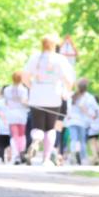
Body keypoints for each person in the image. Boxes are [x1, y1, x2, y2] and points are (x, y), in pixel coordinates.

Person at [23, 34, 75, 166]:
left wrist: (32, 87)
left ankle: (36, 139)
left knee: (37, 126)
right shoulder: (60, 59)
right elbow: (69, 80)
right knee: (50, 128)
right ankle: (46, 159)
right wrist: (66, 91)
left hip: (37, 96)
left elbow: (25, 77)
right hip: (54, 97)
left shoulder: (34, 58)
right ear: (54, 45)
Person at [64, 78, 96, 165]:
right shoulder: (87, 97)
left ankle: (73, 155)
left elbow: (68, 108)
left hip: (72, 121)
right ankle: (83, 157)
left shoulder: (72, 95)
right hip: (81, 122)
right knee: (82, 141)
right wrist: (91, 116)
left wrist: (68, 115)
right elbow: (85, 108)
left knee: (73, 139)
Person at [4, 71, 29, 164]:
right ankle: (21, 151)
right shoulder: (23, 90)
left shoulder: (7, 89)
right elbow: (24, 102)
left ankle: (16, 154)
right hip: (21, 114)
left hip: (11, 114)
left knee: (14, 135)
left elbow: (6, 103)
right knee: (21, 135)